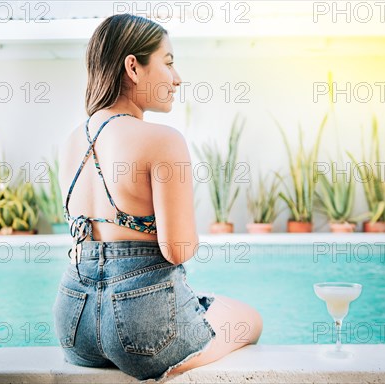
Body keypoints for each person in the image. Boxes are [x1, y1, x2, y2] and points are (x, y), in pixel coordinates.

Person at [53, 13, 263, 382]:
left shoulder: (72, 140)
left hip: (74, 324)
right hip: (142, 332)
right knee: (249, 320)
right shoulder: (162, 139)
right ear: (133, 67)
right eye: (168, 62)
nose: (177, 78)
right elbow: (178, 249)